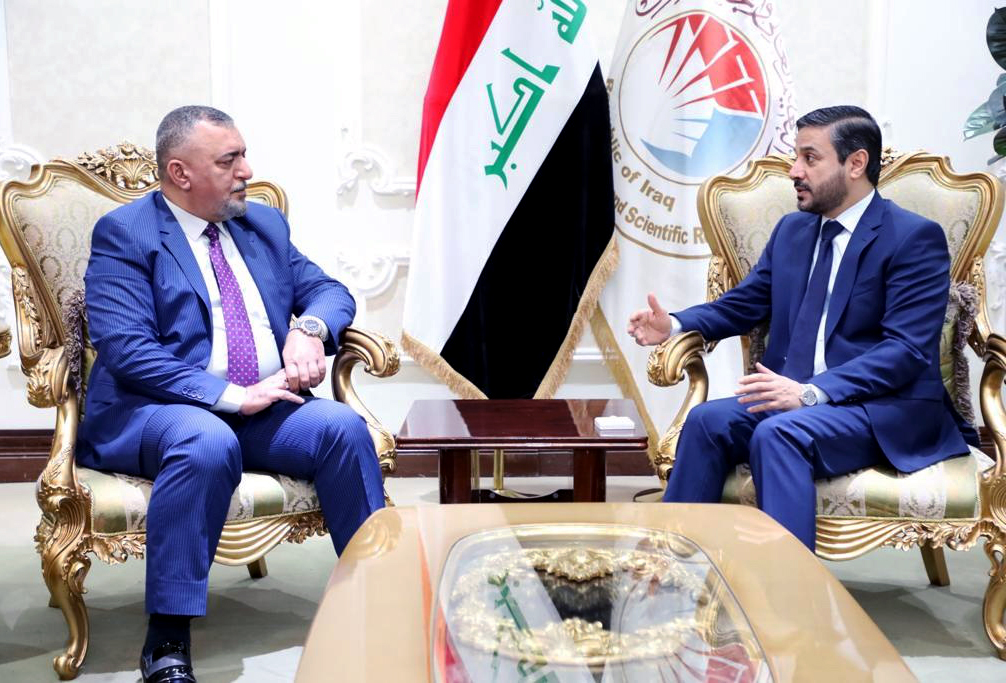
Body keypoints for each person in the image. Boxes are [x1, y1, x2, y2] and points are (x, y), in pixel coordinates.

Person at [77, 105, 385, 683]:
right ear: (180, 172)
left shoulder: (261, 225)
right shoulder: (126, 234)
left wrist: (308, 329)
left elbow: (329, 291)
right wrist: (230, 396)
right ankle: (167, 638)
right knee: (206, 438)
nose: (247, 170)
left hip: (262, 407)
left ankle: (378, 598)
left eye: (243, 154)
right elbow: (128, 350)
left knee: (341, 429)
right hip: (157, 410)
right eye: (229, 160)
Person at [627, 105, 978, 552]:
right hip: (796, 398)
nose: (794, 171)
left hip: (879, 410)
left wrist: (811, 393)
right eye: (797, 157)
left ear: (856, 163)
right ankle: (677, 563)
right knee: (706, 421)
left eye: (810, 158)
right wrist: (675, 323)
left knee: (779, 433)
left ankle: (786, 585)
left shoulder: (912, 238)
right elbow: (745, 303)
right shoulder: (793, 231)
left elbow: (906, 351)